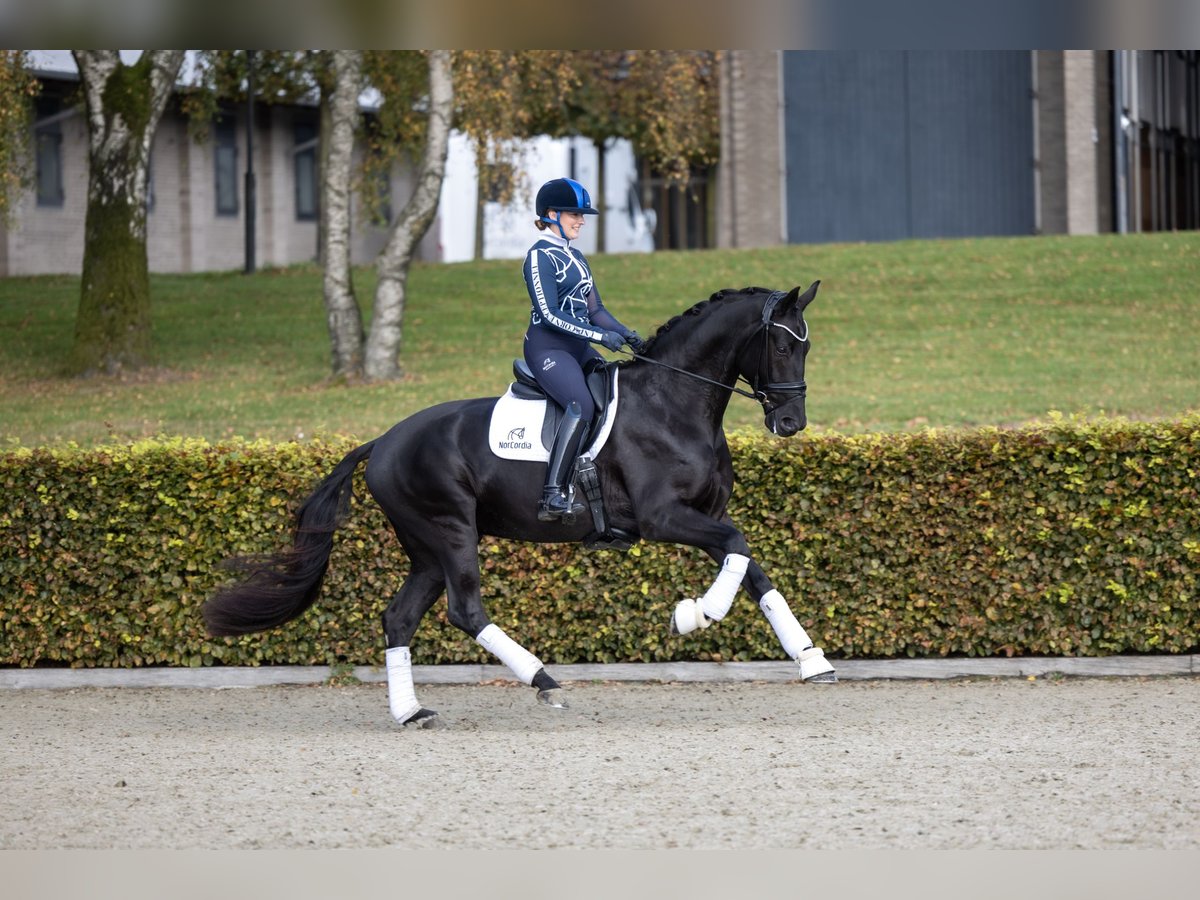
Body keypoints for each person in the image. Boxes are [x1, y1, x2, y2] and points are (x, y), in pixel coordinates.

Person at [522, 177, 644, 522]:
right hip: (549, 348)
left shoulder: (576, 257)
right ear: (551, 214)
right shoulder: (539, 257)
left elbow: (596, 311)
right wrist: (599, 337)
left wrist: (626, 333)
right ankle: (552, 496)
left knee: (615, 394)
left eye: (582, 215)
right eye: (574, 214)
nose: (581, 221)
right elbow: (548, 314)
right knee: (581, 405)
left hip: (578, 348)